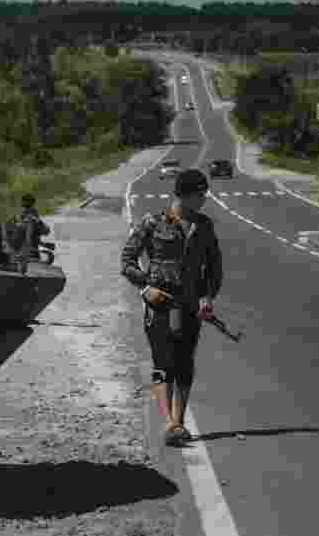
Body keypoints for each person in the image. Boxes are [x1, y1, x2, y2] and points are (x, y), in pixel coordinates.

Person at [121, 168, 223, 446]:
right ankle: (168, 421)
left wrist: (208, 297)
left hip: (190, 307)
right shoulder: (153, 223)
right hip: (159, 307)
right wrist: (145, 287)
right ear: (186, 194)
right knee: (162, 363)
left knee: (185, 363)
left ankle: (179, 421)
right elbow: (127, 260)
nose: (204, 199)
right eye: (200, 194)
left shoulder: (204, 226)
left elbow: (214, 268)